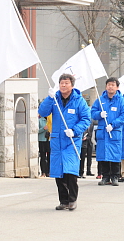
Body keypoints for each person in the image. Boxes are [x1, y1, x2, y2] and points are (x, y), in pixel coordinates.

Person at [39, 74, 91, 211]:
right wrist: (49, 99)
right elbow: (42, 111)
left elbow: (86, 119)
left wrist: (75, 131)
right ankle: (63, 200)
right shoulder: (54, 99)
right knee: (58, 171)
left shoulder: (79, 101)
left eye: (66, 83)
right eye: (61, 83)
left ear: (72, 85)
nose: (63, 85)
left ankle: (72, 199)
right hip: (56, 140)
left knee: (70, 170)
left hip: (71, 140)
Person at [91, 77, 124, 186]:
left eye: (113, 85)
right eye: (108, 85)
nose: (110, 87)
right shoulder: (100, 99)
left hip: (114, 132)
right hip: (103, 132)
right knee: (103, 155)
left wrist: (113, 124)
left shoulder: (121, 100)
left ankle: (115, 176)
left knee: (115, 155)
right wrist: (99, 114)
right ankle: (105, 177)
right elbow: (92, 112)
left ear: (117, 87)